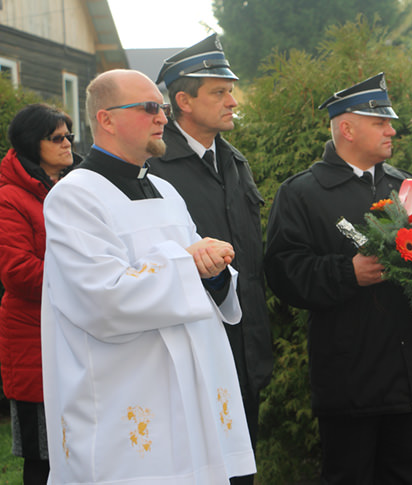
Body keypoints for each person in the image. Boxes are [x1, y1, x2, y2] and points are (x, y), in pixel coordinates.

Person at [41, 69, 255, 484]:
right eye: (150, 108)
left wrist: (213, 271)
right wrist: (188, 262)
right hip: (127, 391)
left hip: (192, 389)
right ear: (107, 119)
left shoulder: (166, 190)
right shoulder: (74, 196)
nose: (163, 117)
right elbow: (102, 298)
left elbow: (195, 273)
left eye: (164, 108)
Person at [264, 72, 412, 483]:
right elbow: (283, 271)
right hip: (350, 384)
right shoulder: (303, 192)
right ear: (347, 128)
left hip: (410, 380)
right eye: (380, 122)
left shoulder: (407, 189)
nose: (391, 129)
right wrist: (348, 273)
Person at [148, 35, 273, 485]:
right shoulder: (155, 168)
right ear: (183, 100)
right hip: (192, 352)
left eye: (231, 90)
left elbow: (251, 265)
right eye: (219, 92)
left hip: (243, 349)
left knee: (243, 468)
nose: (233, 101)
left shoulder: (234, 162)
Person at [0, 103, 78, 485]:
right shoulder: (9, 198)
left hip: (73, 336)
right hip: (32, 340)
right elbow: (17, 273)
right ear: (34, 144)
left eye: (69, 136)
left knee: (76, 450)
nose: (68, 144)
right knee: (43, 458)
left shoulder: (73, 187)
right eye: (57, 138)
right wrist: (84, 277)